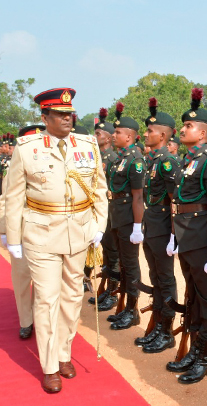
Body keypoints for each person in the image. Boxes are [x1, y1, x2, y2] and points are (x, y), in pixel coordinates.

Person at [4, 87, 108, 394]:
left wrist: (99, 226)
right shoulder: (27, 147)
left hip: (79, 232)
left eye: (70, 113)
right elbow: (13, 195)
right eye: (60, 114)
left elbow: (99, 190)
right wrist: (12, 236)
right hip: (40, 233)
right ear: (45, 117)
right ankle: (49, 365)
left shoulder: (88, 145)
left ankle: (64, 352)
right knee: (47, 298)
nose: (67, 118)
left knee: (72, 295)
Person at [165, 88, 207, 384]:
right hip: (187, 237)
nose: (183, 129)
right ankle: (193, 348)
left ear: (202, 133)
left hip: (203, 239)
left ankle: (205, 355)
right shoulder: (189, 161)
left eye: (189, 126)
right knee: (192, 296)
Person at [137, 97, 181, 353]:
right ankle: (156, 326)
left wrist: (175, 235)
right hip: (152, 227)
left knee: (165, 279)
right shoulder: (153, 161)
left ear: (163, 135)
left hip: (164, 228)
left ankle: (166, 330)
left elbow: (175, 201)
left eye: (150, 131)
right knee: (155, 278)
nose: (146, 134)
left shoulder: (168, 162)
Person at [0, 125, 45, 340]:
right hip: (23, 231)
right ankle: (26, 320)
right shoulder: (14, 167)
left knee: (47, 280)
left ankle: (43, 318)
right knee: (22, 278)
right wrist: (6, 230)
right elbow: (6, 200)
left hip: (48, 232)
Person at [104, 102, 146, 330]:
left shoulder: (135, 161)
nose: (114, 135)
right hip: (118, 216)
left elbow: (138, 197)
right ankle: (124, 307)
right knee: (122, 263)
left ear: (129, 136)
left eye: (118, 132)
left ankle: (133, 309)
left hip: (130, 220)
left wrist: (138, 226)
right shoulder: (120, 159)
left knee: (131, 265)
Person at [89, 108, 120, 311]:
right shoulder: (97, 157)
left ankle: (113, 292)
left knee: (114, 254)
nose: (95, 136)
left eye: (98, 134)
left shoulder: (113, 159)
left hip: (112, 213)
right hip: (101, 212)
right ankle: (106, 289)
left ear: (108, 138)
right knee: (107, 253)